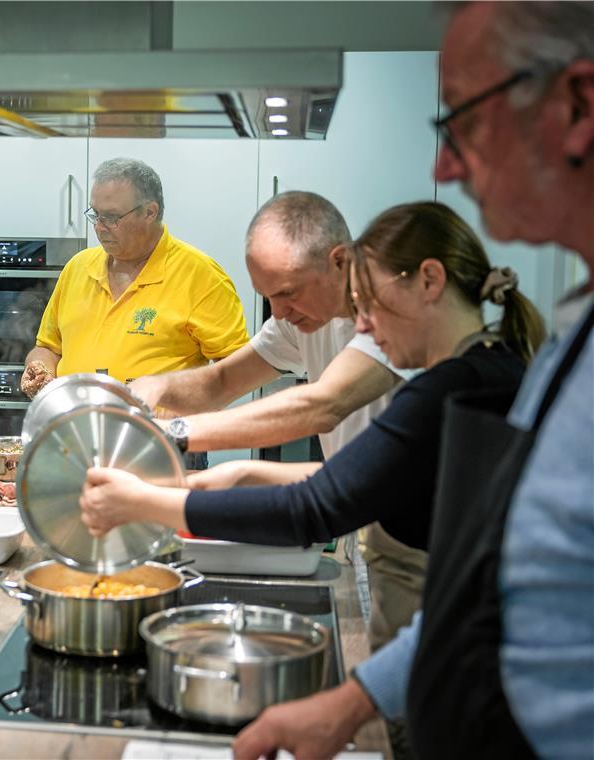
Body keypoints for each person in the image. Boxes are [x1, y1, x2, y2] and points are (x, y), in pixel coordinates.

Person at [233, 3, 594, 758]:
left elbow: (323, 485)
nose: (445, 168)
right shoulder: (567, 344)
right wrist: (352, 702)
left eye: (466, 120)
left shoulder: (468, 379)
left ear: (578, 105)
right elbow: (491, 585)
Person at [130, 190, 421, 651]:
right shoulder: (297, 317)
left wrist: (175, 433)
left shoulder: (390, 313)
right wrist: (155, 389)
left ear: (340, 260)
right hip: (359, 521)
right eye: (268, 297)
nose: (278, 312)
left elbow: (322, 405)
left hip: (416, 541)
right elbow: (223, 379)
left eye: (287, 293)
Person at [20, 157, 249, 467]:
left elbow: (237, 371)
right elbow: (47, 346)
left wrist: (177, 409)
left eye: (112, 217)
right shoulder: (77, 268)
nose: (100, 227)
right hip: (74, 441)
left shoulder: (200, 275)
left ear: (150, 212)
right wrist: (40, 368)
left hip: (161, 444)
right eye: (95, 214)